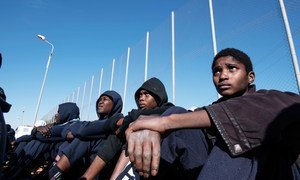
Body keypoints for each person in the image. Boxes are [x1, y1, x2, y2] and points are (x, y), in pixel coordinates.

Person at [125, 48, 300, 179]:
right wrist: (151, 130)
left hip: (271, 173)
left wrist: (166, 122)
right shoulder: (210, 109)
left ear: (250, 77)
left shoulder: (274, 98)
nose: (222, 75)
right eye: (217, 71)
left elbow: (268, 109)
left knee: (233, 136)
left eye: (231, 68)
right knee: (178, 117)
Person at [109, 77, 208, 180]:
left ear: (158, 97)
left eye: (146, 94)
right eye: (139, 95)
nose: (141, 98)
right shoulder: (136, 120)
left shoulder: (174, 113)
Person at [48, 90, 124, 179]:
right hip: (82, 165)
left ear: (115, 104)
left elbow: (83, 129)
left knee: (84, 137)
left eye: (105, 99)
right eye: (99, 100)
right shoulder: (94, 123)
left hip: (102, 169)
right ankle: (55, 172)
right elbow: (66, 129)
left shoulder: (118, 122)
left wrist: (76, 131)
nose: (100, 102)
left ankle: (55, 173)